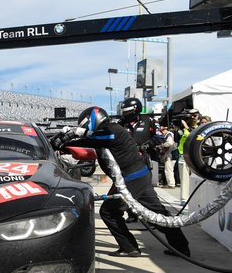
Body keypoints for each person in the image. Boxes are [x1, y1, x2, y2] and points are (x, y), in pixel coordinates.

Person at [56, 106, 191, 257]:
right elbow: (92, 144)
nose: (85, 127)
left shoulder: (111, 129)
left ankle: (129, 247)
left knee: (109, 212)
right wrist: (66, 144)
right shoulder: (108, 130)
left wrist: (75, 134)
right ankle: (181, 246)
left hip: (130, 179)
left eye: (85, 124)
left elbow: (94, 140)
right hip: (138, 175)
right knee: (155, 213)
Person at [118, 98, 156, 222]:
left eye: (127, 111)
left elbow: (160, 136)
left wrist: (147, 145)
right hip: (126, 163)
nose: (125, 113)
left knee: (146, 189)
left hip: (143, 161)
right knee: (128, 189)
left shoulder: (148, 120)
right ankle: (132, 214)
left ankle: (150, 216)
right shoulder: (120, 124)